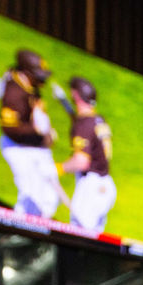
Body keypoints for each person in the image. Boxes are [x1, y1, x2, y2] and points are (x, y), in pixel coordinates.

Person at [0, 50, 70, 220]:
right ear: (26, 73)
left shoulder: (30, 86)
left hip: (35, 146)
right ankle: (21, 229)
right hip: (19, 148)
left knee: (50, 197)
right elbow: (10, 130)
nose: (42, 80)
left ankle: (37, 229)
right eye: (39, 76)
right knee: (31, 194)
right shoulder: (13, 93)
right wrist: (38, 132)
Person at [58, 76, 117, 236]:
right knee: (93, 238)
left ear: (76, 95)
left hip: (91, 188)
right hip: (105, 186)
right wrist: (64, 103)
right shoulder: (98, 120)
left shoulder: (84, 125)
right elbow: (81, 122)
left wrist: (59, 168)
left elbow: (81, 161)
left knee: (79, 237)